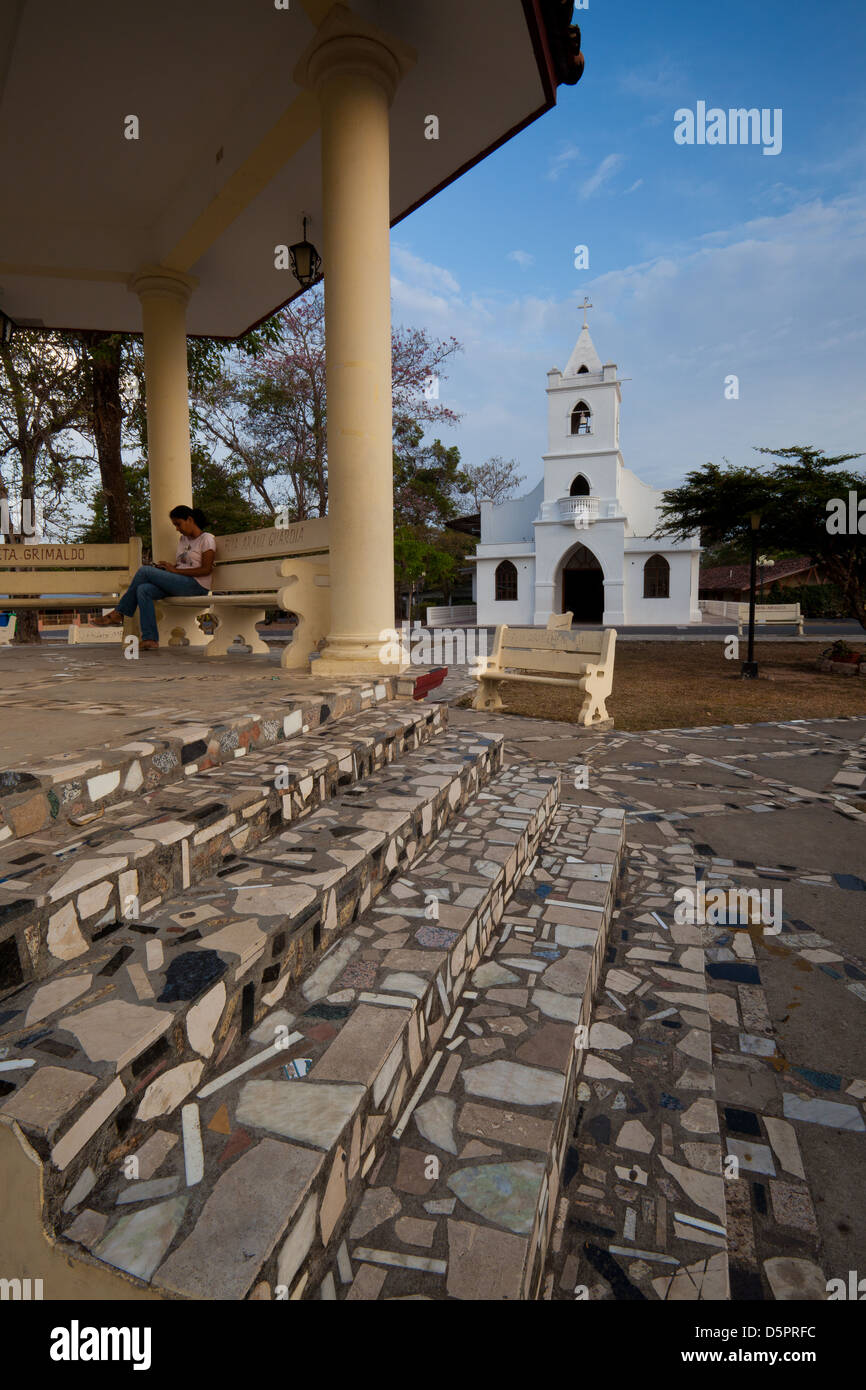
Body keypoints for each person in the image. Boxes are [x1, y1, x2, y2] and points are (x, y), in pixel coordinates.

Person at [93, 506, 216, 649]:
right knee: (143, 589)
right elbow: (184, 565)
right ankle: (150, 639)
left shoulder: (207, 539)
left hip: (197, 586)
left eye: (178, 524)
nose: (177, 528)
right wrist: (170, 568)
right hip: (181, 582)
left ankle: (119, 613)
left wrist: (174, 572)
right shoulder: (183, 540)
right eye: (174, 525)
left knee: (145, 571)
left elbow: (206, 570)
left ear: (190, 519)